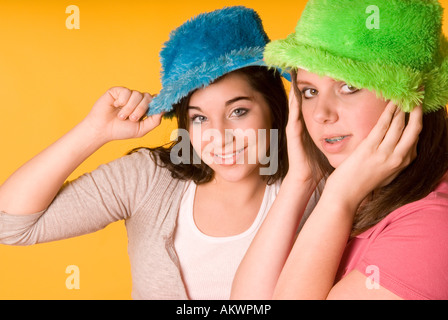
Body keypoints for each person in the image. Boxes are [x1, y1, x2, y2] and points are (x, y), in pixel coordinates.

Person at [0, 6, 291, 300]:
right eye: (200, 118)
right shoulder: (149, 178)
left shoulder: (312, 189)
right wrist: (95, 131)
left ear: (273, 108)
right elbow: (8, 224)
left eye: (238, 111)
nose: (220, 137)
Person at [231, 0, 448, 300]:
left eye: (348, 87)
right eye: (309, 91)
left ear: (412, 97)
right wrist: (301, 180)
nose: (321, 114)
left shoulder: (433, 228)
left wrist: (338, 197)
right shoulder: (350, 196)